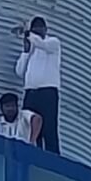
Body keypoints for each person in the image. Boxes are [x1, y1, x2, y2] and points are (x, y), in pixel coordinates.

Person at [15, 16, 61, 153]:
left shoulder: (53, 43)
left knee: (49, 127)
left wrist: (29, 34)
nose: (37, 31)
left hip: (47, 91)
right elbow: (19, 71)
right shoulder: (32, 49)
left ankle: (53, 156)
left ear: (45, 29)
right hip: (31, 92)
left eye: (40, 28)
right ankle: (32, 152)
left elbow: (43, 45)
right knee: (29, 126)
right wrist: (25, 52)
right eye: (35, 28)